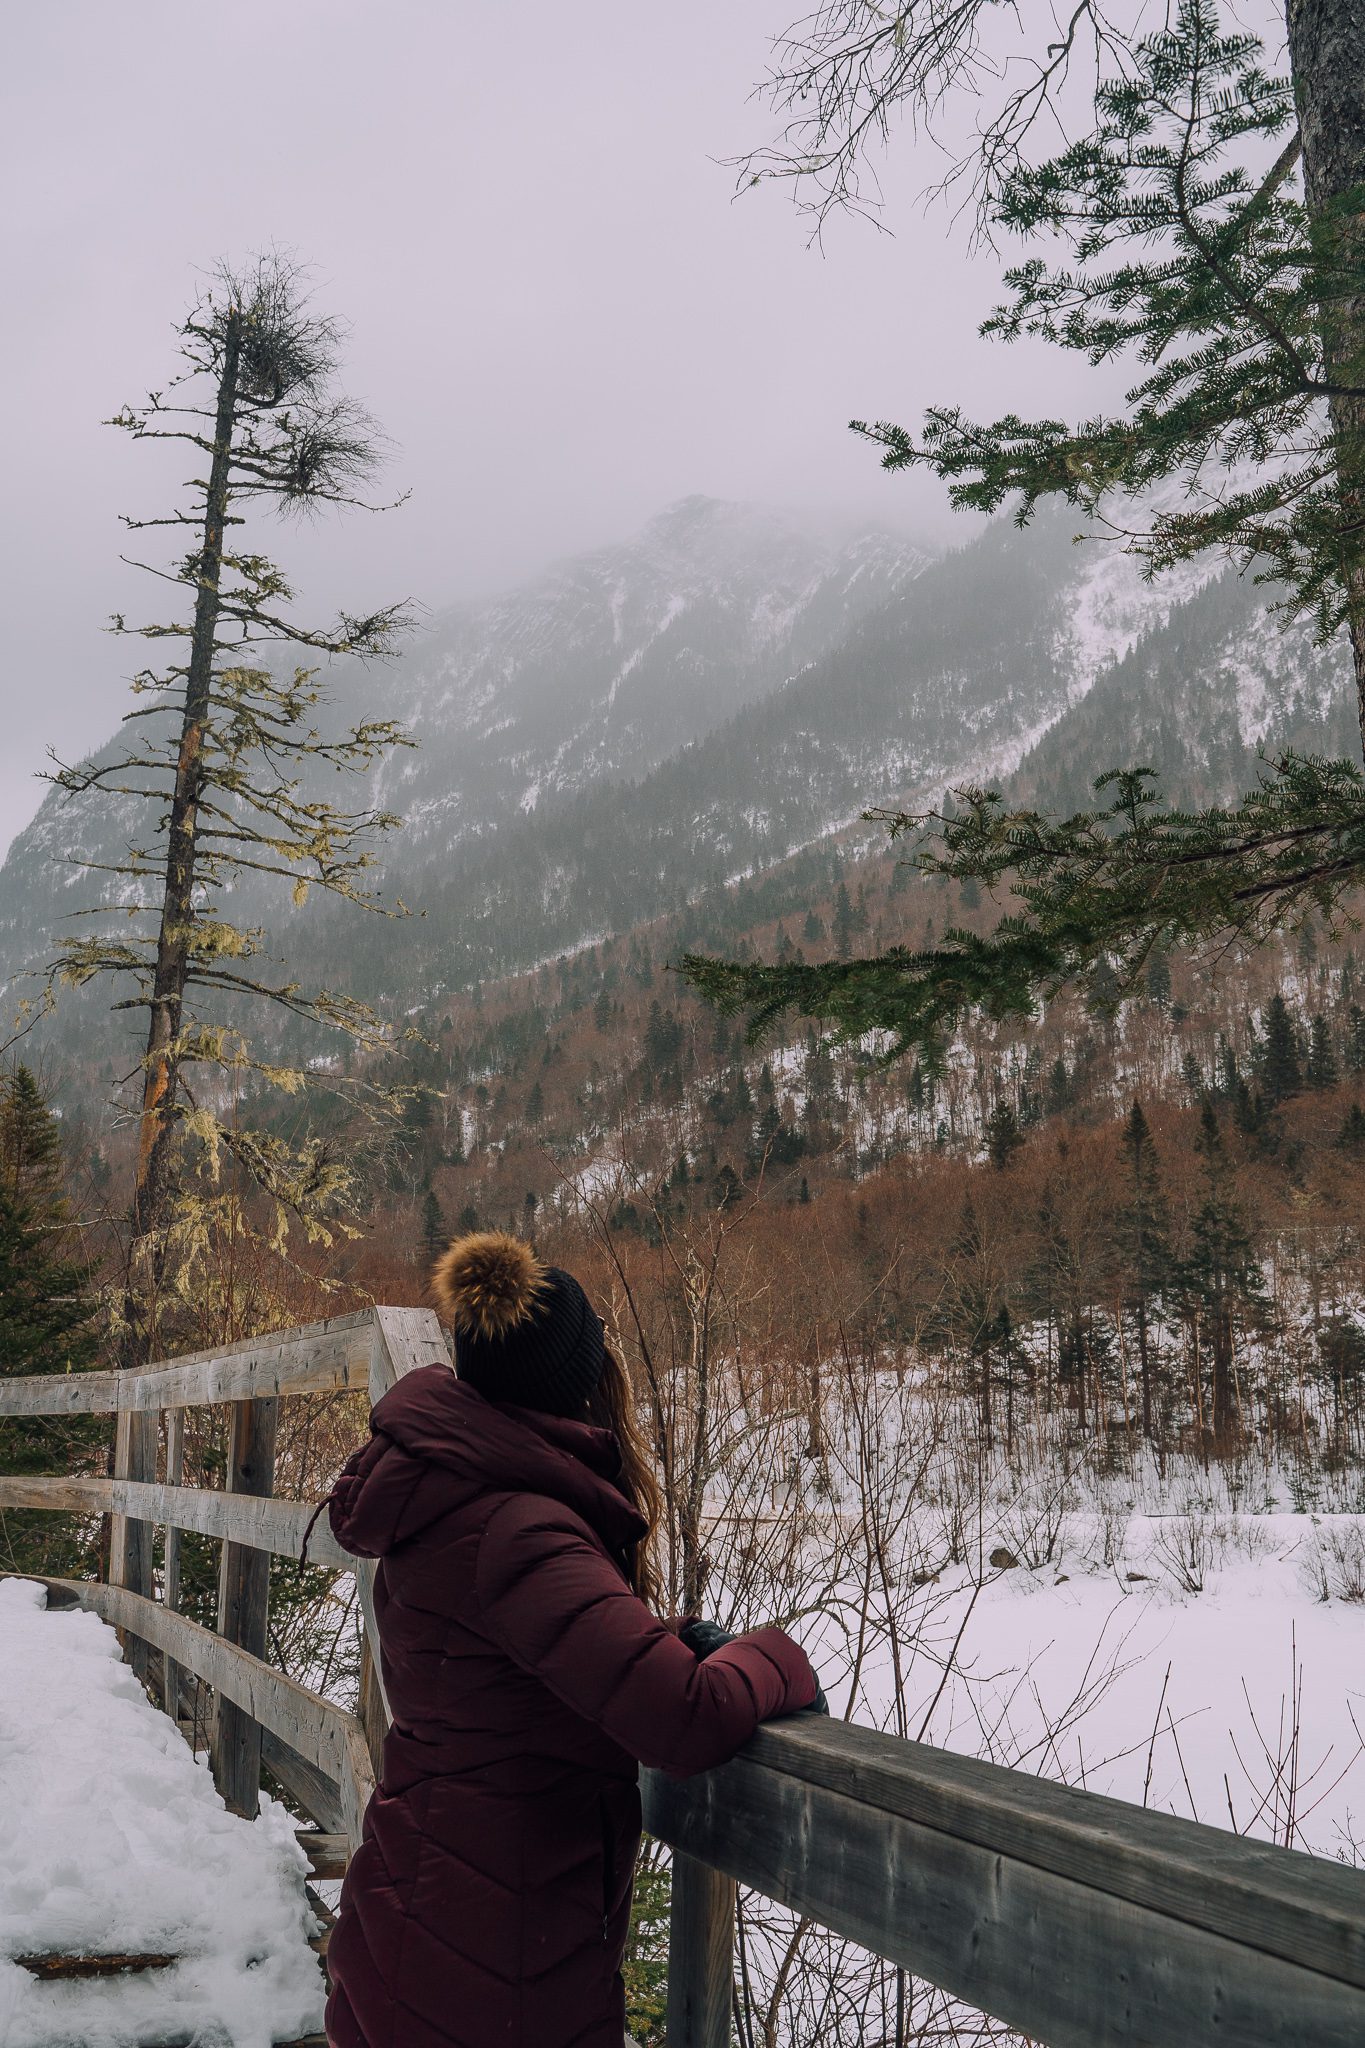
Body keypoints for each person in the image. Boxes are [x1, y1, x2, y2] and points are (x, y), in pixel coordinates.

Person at [323, 1231, 820, 2048]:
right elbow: (686, 1715)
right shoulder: (521, 1529)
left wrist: (656, 1633)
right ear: (576, 1384)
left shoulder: (454, 1491)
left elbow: (499, 1648)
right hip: (493, 1953)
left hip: (426, 1911)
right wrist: (779, 1658)